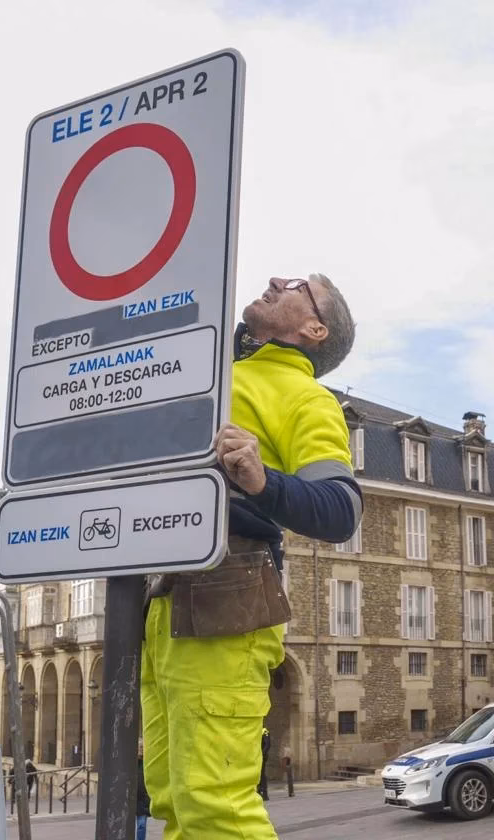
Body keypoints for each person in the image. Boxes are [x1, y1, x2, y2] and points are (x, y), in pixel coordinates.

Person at [142, 274, 360, 840]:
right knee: (170, 796)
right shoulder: (213, 369)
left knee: (216, 806)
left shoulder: (307, 397)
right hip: (160, 598)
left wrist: (263, 481)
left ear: (315, 328)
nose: (274, 280)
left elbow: (339, 510)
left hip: (226, 597)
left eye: (296, 286)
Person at [136, 746, 151, 840]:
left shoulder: (147, 764)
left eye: (142, 748)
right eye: (139, 748)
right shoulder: (131, 763)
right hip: (131, 797)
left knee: (141, 825)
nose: (140, 751)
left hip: (142, 799)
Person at [257, 727, 272, 801]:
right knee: (257, 774)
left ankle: (264, 794)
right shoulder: (256, 729)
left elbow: (267, 744)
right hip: (255, 756)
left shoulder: (264, 730)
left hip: (262, 756)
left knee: (262, 774)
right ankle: (258, 791)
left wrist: (261, 753)